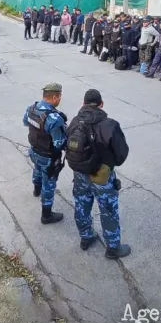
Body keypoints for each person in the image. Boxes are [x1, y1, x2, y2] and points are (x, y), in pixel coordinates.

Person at [66, 89, 130, 258]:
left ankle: (86, 237)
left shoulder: (74, 121)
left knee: (81, 205)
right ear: (101, 104)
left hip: (79, 173)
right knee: (108, 210)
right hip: (101, 177)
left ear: (83, 104)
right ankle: (113, 248)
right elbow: (121, 155)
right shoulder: (110, 125)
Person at [23, 83, 67, 224]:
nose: (60, 99)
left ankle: (36, 190)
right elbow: (58, 143)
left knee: (37, 169)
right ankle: (46, 216)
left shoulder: (31, 109)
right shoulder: (54, 118)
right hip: (48, 157)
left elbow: (25, 122)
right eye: (60, 96)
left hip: (34, 151)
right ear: (54, 97)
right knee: (49, 184)